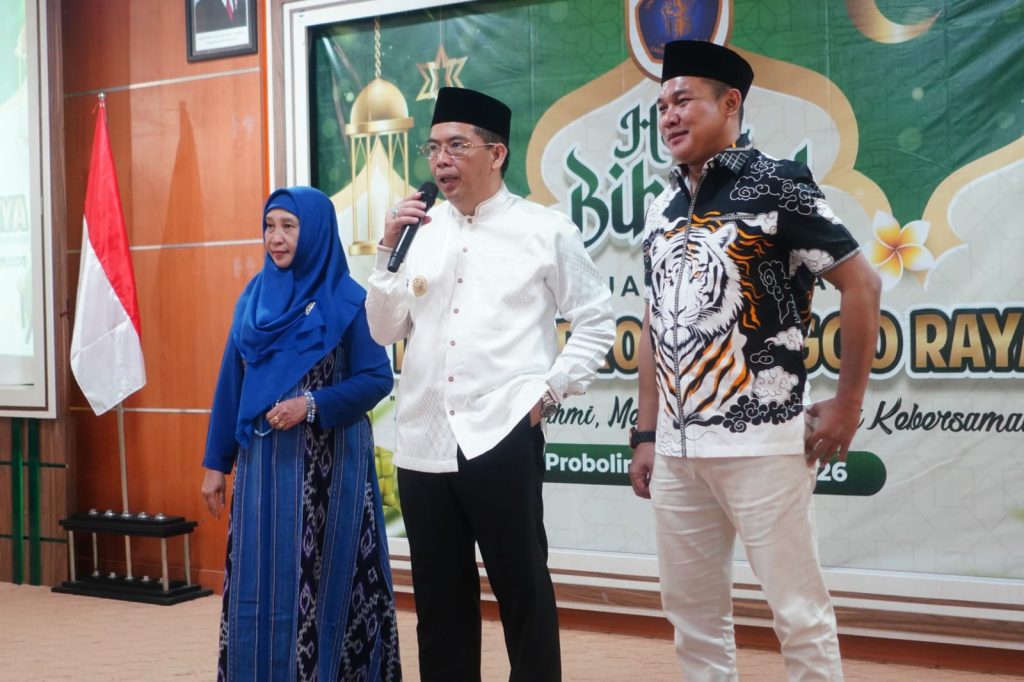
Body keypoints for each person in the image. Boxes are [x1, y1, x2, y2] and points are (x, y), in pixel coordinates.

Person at [628, 40, 881, 681]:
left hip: (763, 444)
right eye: (662, 106)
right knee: (691, 615)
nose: (669, 116)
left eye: (683, 100)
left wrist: (849, 404)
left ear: (730, 103)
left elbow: (862, 284)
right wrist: (646, 433)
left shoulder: (778, 184)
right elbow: (655, 323)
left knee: (797, 613)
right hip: (678, 452)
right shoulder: (661, 206)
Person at [365, 86, 615, 682]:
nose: (440, 160)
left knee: (522, 590)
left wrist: (549, 391)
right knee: (439, 602)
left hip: (502, 432)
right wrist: (386, 251)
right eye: (433, 148)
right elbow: (383, 329)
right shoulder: (420, 231)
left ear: (496, 153)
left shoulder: (544, 230)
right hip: (423, 441)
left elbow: (596, 319)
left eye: (457, 146)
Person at [200, 186, 401, 681]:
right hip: (263, 474)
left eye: (289, 227)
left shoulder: (349, 301)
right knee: (259, 582)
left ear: (314, 232)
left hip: (332, 474)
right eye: (270, 226)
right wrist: (215, 464)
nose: (276, 237)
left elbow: (377, 379)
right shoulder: (254, 301)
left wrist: (310, 405)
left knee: (327, 585)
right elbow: (231, 383)